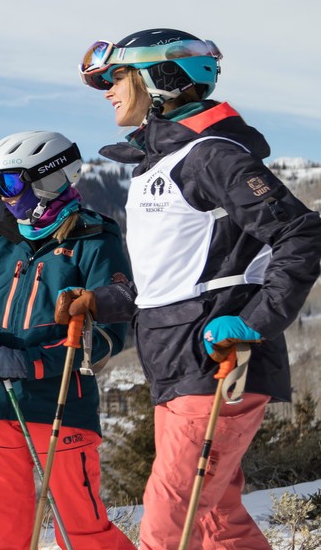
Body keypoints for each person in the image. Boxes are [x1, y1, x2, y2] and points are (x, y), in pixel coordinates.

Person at [66, 28, 321, 548]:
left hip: (217, 358)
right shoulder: (154, 166)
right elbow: (165, 281)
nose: (109, 91)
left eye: (117, 77)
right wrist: (99, 301)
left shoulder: (211, 156)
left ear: (159, 78)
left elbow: (301, 234)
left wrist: (253, 322)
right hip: (174, 362)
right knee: (214, 519)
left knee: (171, 516)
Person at [0, 131, 136, 549]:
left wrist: (29, 363)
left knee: (81, 527)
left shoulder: (94, 242)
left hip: (61, 405)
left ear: (49, 178)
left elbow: (108, 336)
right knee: (5, 530)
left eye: (10, 182)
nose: (3, 196)